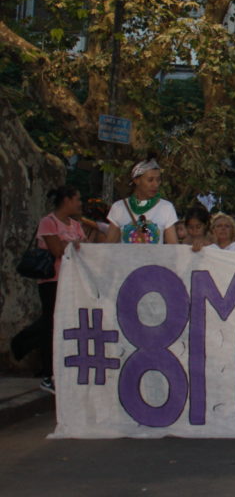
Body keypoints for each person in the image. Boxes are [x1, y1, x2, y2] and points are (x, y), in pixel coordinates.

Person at [11, 186, 99, 392]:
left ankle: (51, 364)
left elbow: (83, 249)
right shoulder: (48, 222)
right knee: (51, 324)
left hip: (71, 281)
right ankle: (47, 372)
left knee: (63, 324)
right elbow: (57, 250)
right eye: (77, 199)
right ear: (66, 200)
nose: (79, 203)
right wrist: (73, 244)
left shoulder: (76, 225)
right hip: (52, 281)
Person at [106, 158, 179, 244]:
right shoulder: (118, 208)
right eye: (150, 180)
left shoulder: (166, 208)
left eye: (158, 180)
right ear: (136, 180)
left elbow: (173, 247)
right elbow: (109, 247)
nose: (155, 184)